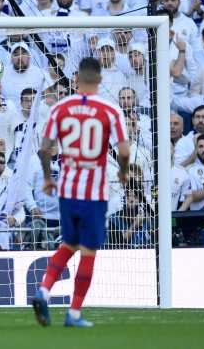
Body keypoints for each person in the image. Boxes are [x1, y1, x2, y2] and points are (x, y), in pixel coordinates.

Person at [32, 57, 130, 328]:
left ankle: (43, 290)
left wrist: (47, 177)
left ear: (76, 79)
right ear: (100, 79)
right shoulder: (111, 111)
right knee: (87, 251)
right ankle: (73, 314)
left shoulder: (60, 109)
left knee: (68, 244)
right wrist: (122, 172)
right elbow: (123, 151)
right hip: (93, 193)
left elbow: (44, 148)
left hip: (67, 189)